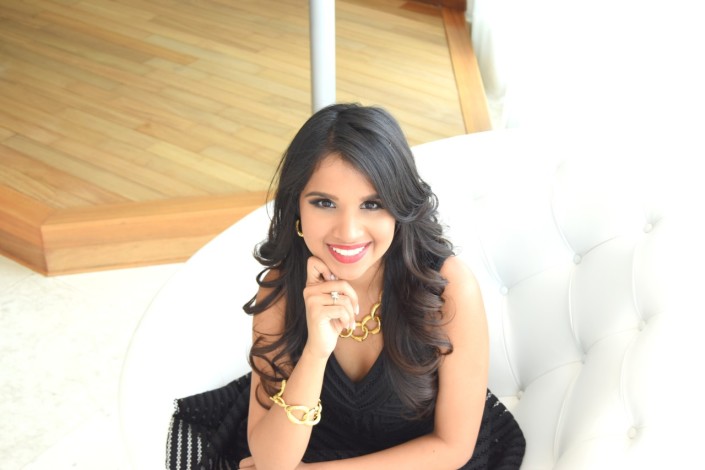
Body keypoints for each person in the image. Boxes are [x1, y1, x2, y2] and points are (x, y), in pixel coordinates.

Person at [166, 103, 525, 469]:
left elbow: (452, 447)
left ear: (399, 207)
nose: (348, 231)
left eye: (372, 204)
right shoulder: (281, 290)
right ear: (297, 208)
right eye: (324, 203)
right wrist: (316, 351)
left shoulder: (448, 289)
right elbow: (272, 462)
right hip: (312, 446)